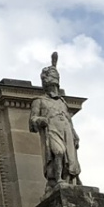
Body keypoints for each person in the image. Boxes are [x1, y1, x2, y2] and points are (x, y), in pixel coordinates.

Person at [29, 52, 83, 191]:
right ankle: (57, 179)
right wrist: (41, 120)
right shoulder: (39, 101)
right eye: (50, 79)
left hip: (65, 130)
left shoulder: (62, 102)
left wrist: (74, 134)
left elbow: (68, 119)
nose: (53, 82)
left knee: (70, 157)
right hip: (52, 128)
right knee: (58, 152)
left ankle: (68, 180)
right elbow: (32, 121)